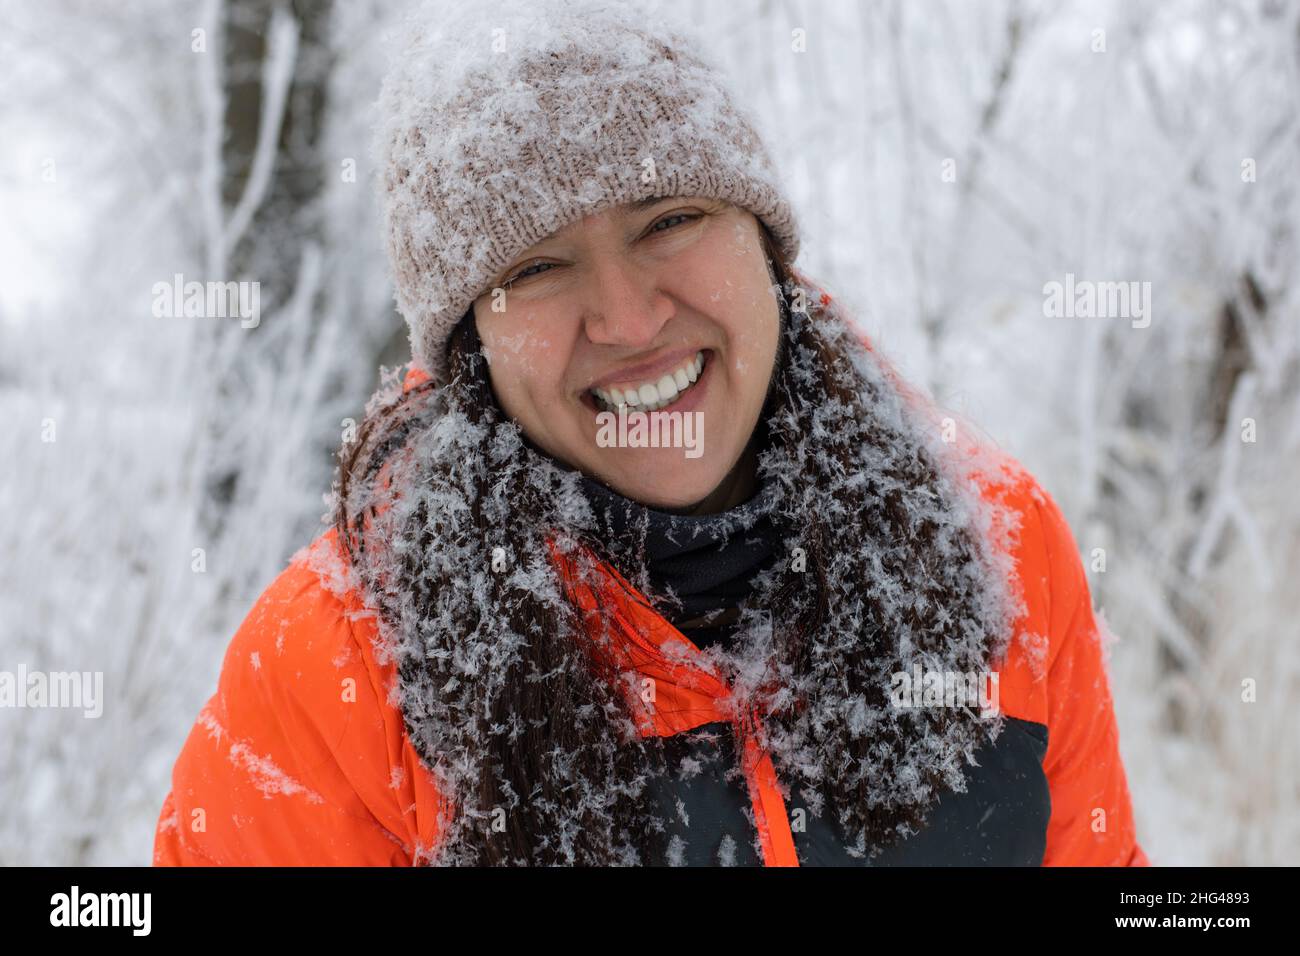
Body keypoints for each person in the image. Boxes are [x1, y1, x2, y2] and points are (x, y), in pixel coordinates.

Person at [153, 0, 1148, 867]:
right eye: (535, 268)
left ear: (763, 241)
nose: (626, 320)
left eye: (667, 217)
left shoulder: (998, 546)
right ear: (472, 345)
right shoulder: (331, 671)